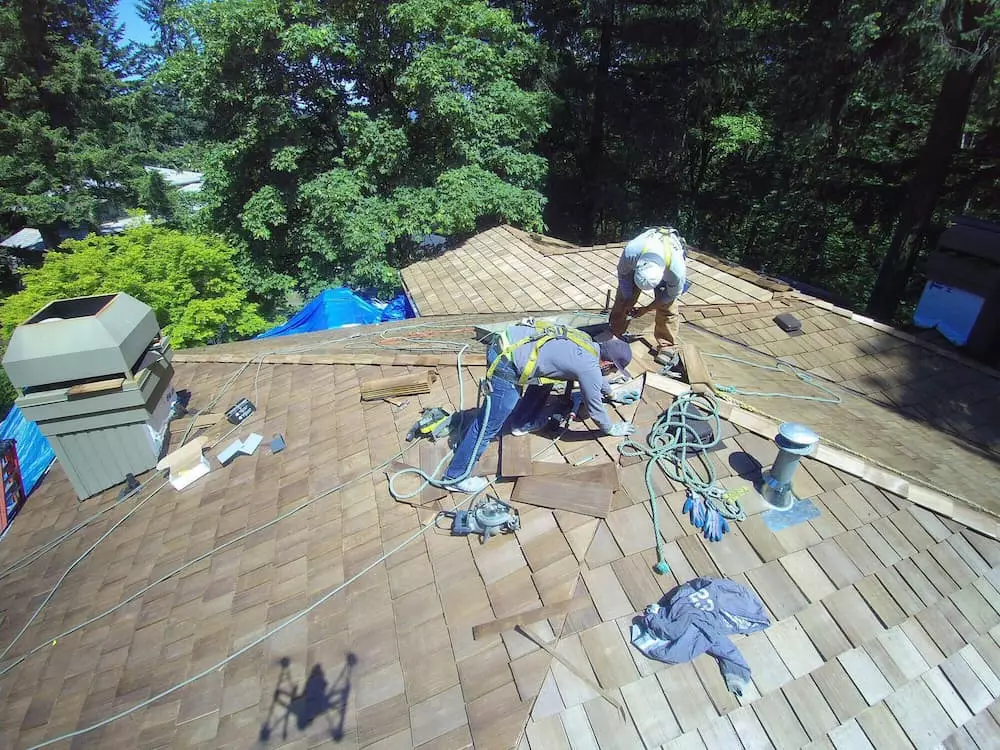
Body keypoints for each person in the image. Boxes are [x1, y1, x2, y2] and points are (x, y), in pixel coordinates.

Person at [442, 321, 640, 494]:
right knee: (487, 425)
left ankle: (522, 423)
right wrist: (611, 428)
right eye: (614, 369)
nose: (612, 373)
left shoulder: (588, 343)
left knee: (546, 379)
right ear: (606, 363)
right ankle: (455, 476)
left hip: (509, 343)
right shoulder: (589, 367)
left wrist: (613, 393)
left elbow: (595, 379)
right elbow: (595, 405)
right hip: (505, 361)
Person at [609, 226, 688, 367]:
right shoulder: (631, 253)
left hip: (667, 264)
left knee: (667, 308)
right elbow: (624, 277)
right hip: (640, 262)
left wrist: (647, 309)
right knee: (621, 300)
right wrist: (628, 299)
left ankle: (667, 345)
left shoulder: (676, 271)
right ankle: (615, 333)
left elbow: (669, 295)